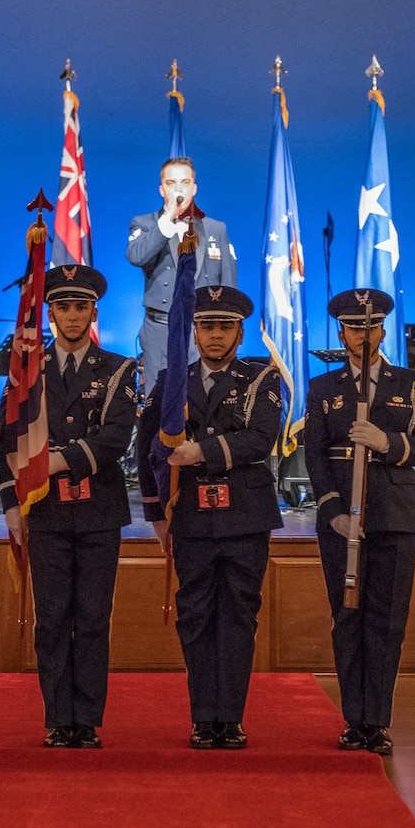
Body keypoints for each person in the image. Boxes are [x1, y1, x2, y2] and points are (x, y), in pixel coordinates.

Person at [0, 264, 140, 748]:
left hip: (98, 509)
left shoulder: (119, 369)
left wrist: (55, 460)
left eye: (81, 306)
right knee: (54, 617)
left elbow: (116, 439)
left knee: (94, 618)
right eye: (63, 306)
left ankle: (89, 720)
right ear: (50, 312)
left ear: (94, 310)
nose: (73, 316)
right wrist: (10, 505)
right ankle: (59, 718)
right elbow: (7, 439)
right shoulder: (26, 371)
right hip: (46, 511)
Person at [138, 285, 281, 749]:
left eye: (225, 326)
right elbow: (148, 450)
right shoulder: (169, 381)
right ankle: (203, 716)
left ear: (240, 333)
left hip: (245, 515)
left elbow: (260, 439)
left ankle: (231, 717)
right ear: (193, 332)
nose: (215, 335)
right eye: (206, 326)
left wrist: (203, 450)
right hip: (192, 516)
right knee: (195, 614)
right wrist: (157, 513)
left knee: (240, 614)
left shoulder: (262, 379)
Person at [302, 288, 415, 756]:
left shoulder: (412, 383)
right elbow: (316, 457)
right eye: (353, 326)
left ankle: (377, 722)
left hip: (393, 517)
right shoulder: (324, 389)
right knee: (348, 619)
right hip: (343, 520)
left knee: (386, 622)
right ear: (341, 332)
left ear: (382, 330)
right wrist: (332, 510)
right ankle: (352, 719)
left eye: (371, 326)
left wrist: (387, 441)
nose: (363, 335)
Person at [127, 158, 236, 393]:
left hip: (203, 330)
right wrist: (166, 220)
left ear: (194, 188)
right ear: (162, 189)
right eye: (171, 182)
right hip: (160, 329)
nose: (179, 189)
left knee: (204, 396)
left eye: (185, 182)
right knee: (158, 400)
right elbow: (136, 256)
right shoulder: (145, 224)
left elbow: (228, 286)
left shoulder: (216, 228)